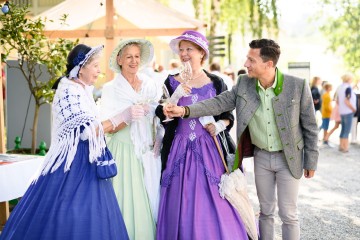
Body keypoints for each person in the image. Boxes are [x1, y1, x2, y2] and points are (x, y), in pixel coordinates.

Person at [166, 38, 319, 240]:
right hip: (261, 158)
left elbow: (310, 126)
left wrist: (311, 160)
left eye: (251, 60)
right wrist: (185, 110)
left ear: (268, 64)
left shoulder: (297, 86)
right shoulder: (244, 84)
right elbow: (218, 103)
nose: (246, 64)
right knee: (265, 212)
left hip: (289, 158)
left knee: (288, 214)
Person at [0, 44, 129, 239]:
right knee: (69, 214)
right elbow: (86, 132)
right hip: (72, 164)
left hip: (88, 160)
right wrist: (120, 117)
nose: (99, 71)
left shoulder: (83, 89)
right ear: (81, 67)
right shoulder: (68, 90)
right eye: (95, 66)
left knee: (94, 213)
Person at [155, 30, 251, 239]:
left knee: (216, 197)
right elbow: (160, 110)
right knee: (180, 196)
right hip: (178, 147)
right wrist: (167, 107)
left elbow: (228, 115)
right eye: (181, 50)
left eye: (189, 49)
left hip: (210, 148)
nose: (184, 54)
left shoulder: (217, 82)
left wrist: (220, 125)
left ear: (201, 53)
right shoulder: (171, 81)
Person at [100, 39, 160, 240]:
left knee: (148, 198)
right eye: (128, 57)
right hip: (122, 150)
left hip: (146, 150)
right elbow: (107, 127)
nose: (134, 61)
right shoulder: (110, 88)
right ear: (119, 60)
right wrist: (127, 116)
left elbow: (158, 117)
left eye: (136, 56)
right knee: (124, 198)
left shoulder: (150, 85)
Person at [337, 73, 357, 152]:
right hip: (348, 111)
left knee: (343, 129)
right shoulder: (348, 88)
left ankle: (341, 146)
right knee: (347, 130)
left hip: (342, 111)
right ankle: (345, 147)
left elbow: (338, 100)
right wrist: (353, 109)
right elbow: (346, 100)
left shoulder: (341, 87)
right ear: (349, 79)